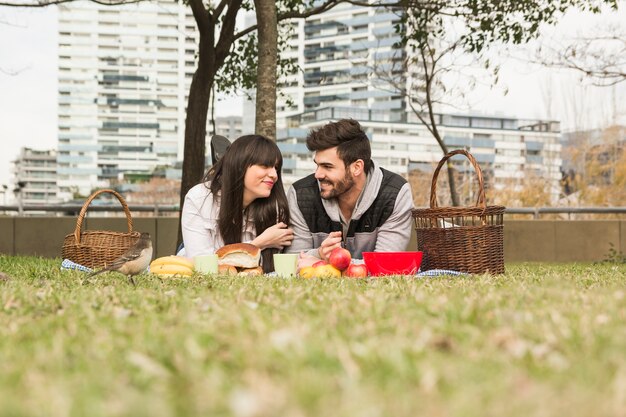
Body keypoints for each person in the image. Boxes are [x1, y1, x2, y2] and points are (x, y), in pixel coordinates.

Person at [286, 119, 414, 262]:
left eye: (327, 166)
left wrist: (329, 262)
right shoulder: (301, 194)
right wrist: (319, 254)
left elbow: (384, 265)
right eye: (317, 165)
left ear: (357, 167)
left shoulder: (395, 193)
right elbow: (293, 264)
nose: (318, 174)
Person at [181, 134, 294, 272]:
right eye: (265, 165)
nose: (274, 175)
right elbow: (202, 265)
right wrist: (258, 244)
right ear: (239, 165)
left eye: (276, 168)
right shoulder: (199, 198)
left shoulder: (274, 207)